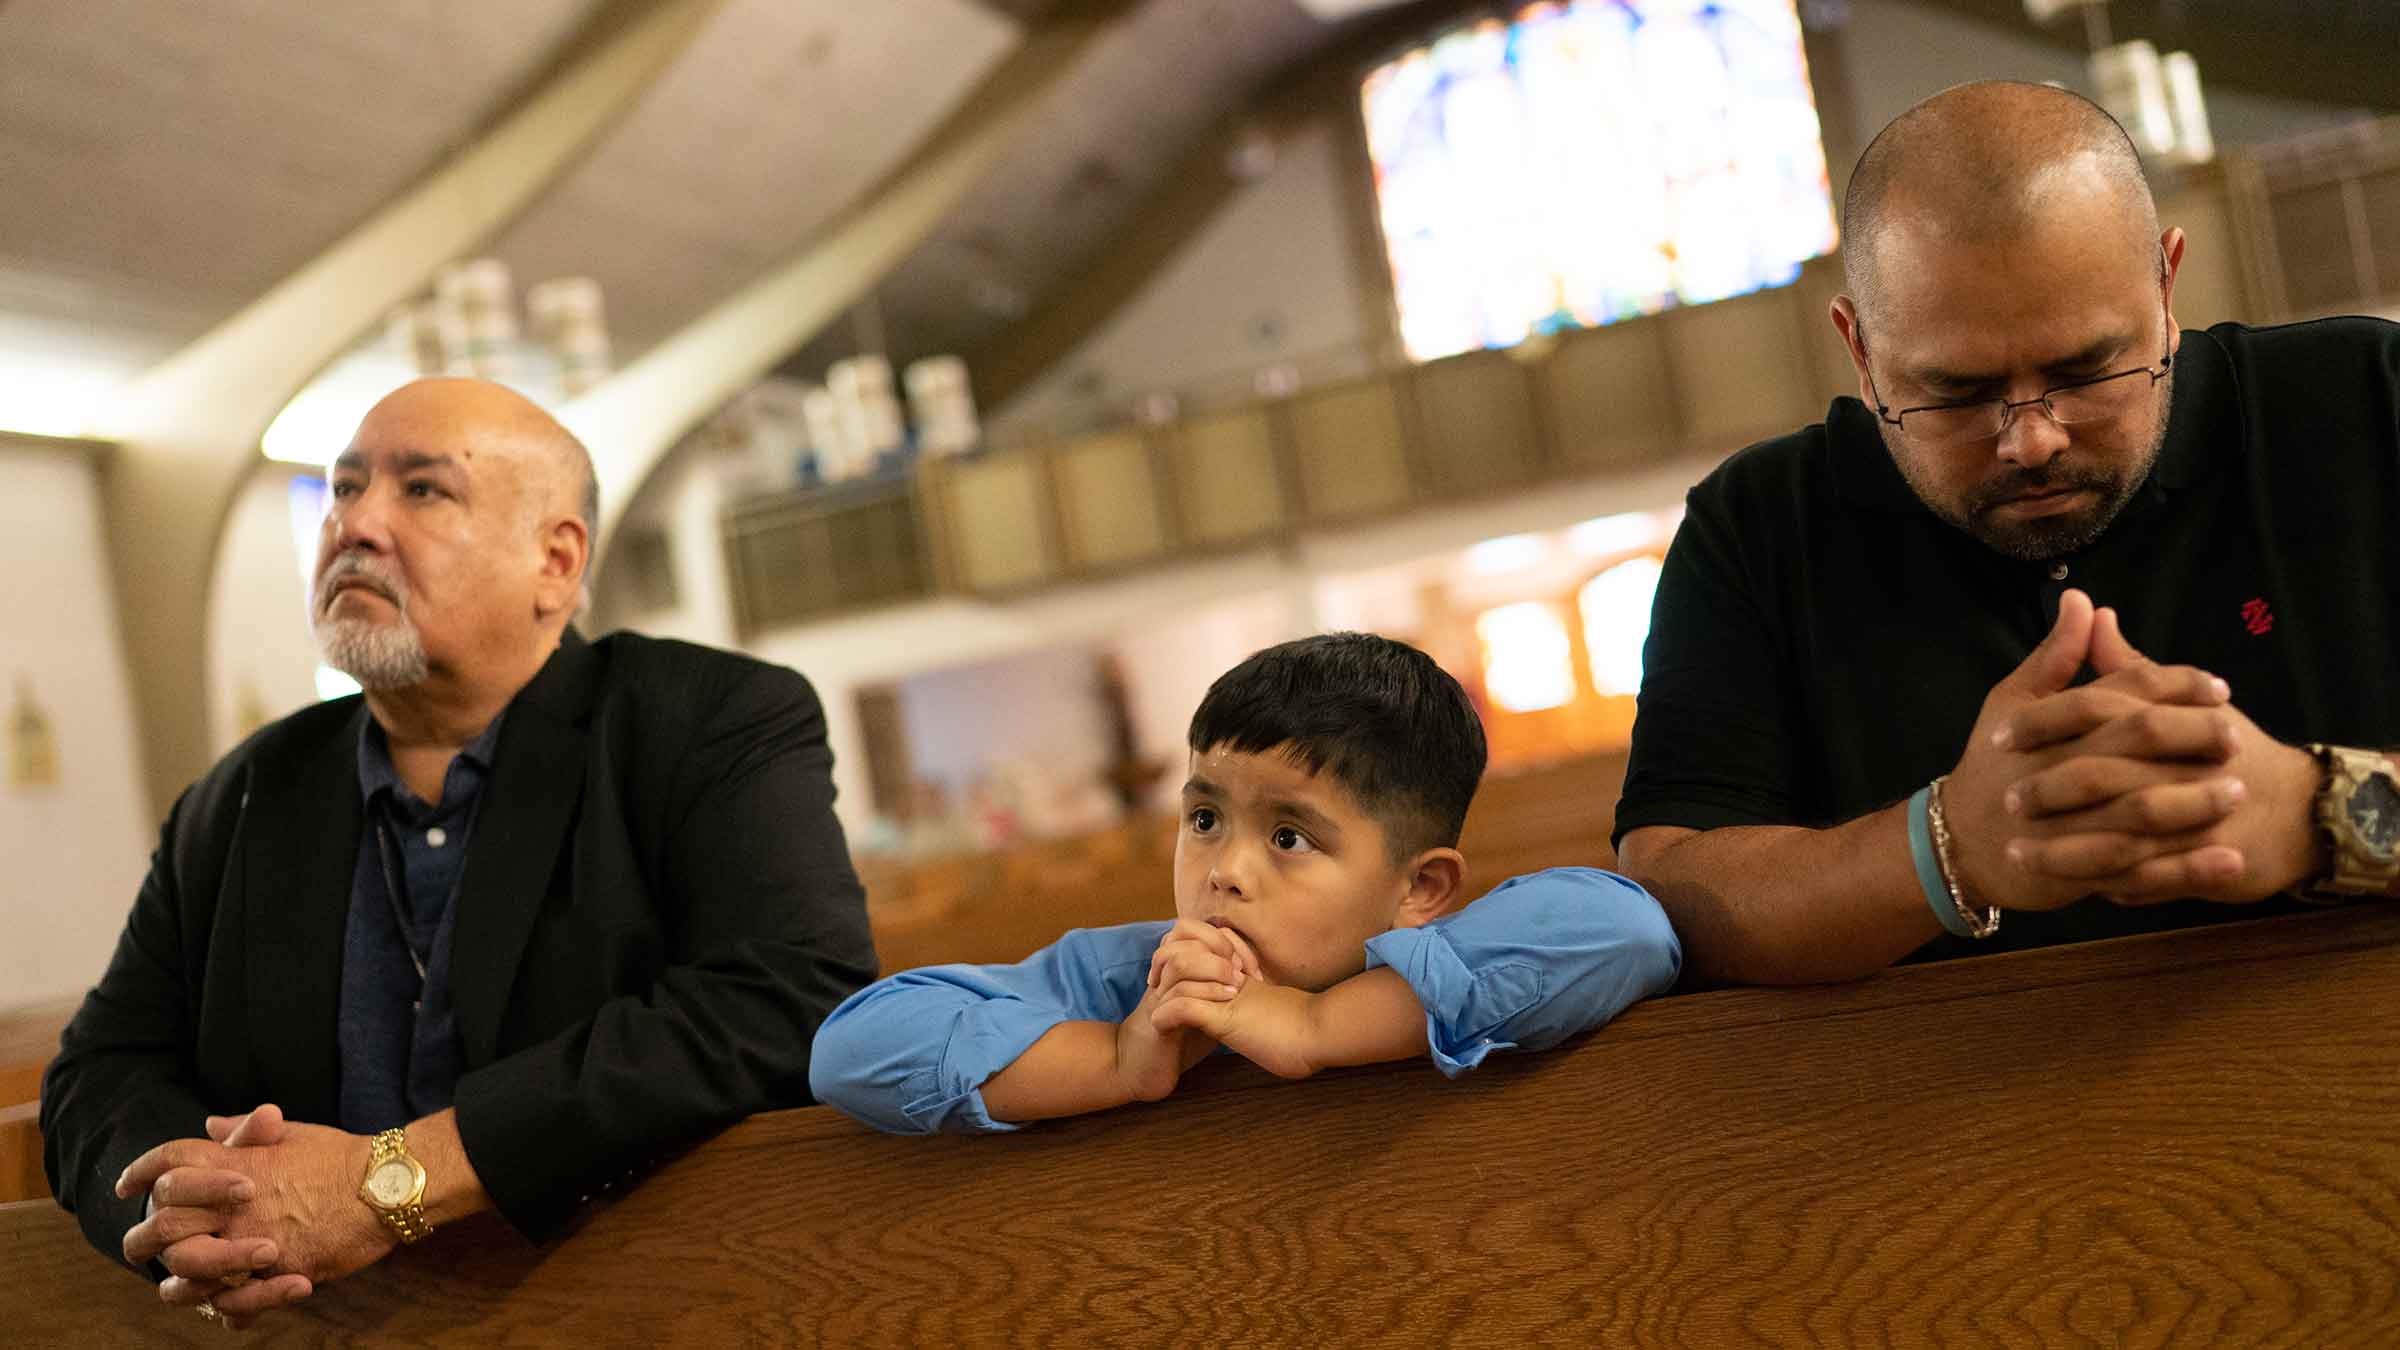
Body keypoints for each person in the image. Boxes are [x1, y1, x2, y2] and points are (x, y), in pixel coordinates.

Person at [41, 379, 879, 1328]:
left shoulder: (705, 722)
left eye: (422, 490)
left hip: (655, 1311)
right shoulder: (243, 794)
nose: (356, 523)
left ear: (555, 562)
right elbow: (99, 1071)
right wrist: (183, 1210)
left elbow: (788, 996)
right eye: (344, 488)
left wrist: (389, 1184)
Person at [1613, 81, 2400, 987]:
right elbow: (1668, 895)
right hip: (1950, 1120)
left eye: (2088, 368)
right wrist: (1945, 850)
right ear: (1861, 351)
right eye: (1956, 392)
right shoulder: (1755, 526)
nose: (2033, 438)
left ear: (2167, 283)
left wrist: (2320, 813)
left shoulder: (2367, 401)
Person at [810, 633, 1680, 1134]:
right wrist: (1115, 1058)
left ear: (1420, 889)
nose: (1224, 870)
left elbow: (1624, 928)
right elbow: (854, 1045)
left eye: (1290, 836)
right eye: (1204, 819)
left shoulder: (1437, 951)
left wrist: (1311, 1024)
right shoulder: (1138, 980)